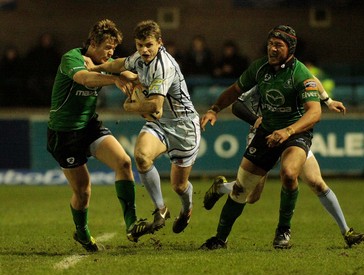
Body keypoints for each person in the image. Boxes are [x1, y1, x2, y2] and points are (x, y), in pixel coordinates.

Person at [199, 24, 325, 250]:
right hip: (266, 132)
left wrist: (288, 131)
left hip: (295, 133)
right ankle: (220, 239)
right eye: (270, 44)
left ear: (291, 48)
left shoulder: (301, 74)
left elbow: (315, 112)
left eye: (279, 45)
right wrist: (214, 109)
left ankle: (283, 231)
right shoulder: (259, 68)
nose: (272, 49)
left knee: (288, 173)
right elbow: (235, 91)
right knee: (241, 189)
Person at [203, 85, 364, 248]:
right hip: (264, 136)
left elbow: (311, 80)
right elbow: (237, 104)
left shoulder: (296, 71)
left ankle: (346, 232)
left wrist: (328, 101)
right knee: (252, 196)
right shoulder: (262, 75)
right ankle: (222, 188)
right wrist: (256, 121)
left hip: (292, 134)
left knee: (316, 182)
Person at [46, 19, 151, 252]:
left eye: (114, 49)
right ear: (93, 43)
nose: (110, 53)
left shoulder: (105, 61)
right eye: (107, 48)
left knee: (123, 162)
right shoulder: (71, 58)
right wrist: (114, 78)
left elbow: (128, 73)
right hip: (64, 133)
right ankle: (82, 233)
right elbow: (85, 78)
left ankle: (132, 223)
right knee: (83, 191)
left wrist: (142, 81)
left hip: (89, 126)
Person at [89, 20, 201, 237]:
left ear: (160, 42)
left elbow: (154, 106)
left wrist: (129, 106)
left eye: (148, 45)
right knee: (141, 157)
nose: (144, 50)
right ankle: (161, 209)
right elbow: (120, 64)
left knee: (179, 186)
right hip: (160, 124)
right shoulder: (139, 58)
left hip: (184, 128)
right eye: (140, 45)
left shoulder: (164, 66)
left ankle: (186, 210)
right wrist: (97, 67)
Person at [24, 32, 61, 107]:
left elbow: (58, 66)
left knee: (50, 84)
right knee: (33, 84)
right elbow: (29, 65)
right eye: (45, 39)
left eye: (48, 40)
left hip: (50, 76)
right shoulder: (35, 52)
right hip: (36, 76)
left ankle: (47, 104)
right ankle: (36, 103)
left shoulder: (54, 54)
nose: (46, 41)